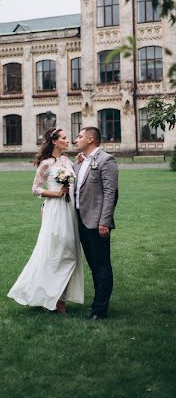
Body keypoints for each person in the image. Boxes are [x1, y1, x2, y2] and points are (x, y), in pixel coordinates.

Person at [7, 128, 84, 315]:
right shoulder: (45, 164)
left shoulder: (67, 161)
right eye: (64, 138)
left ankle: (58, 297)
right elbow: (35, 189)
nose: (69, 140)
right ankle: (54, 299)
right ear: (55, 142)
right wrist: (56, 194)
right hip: (55, 210)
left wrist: (77, 163)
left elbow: (71, 179)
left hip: (70, 210)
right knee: (56, 251)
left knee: (70, 252)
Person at [74, 126, 119, 320]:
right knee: (93, 265)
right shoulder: (81, 161)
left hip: (96, 222)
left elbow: (111, 193)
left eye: (80, 136)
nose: (76, 139)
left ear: (91, 139)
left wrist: (105, 221)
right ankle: (96, 304)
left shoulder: (106, 160)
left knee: (101, 266)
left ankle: (100, 310)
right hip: (80, 220)